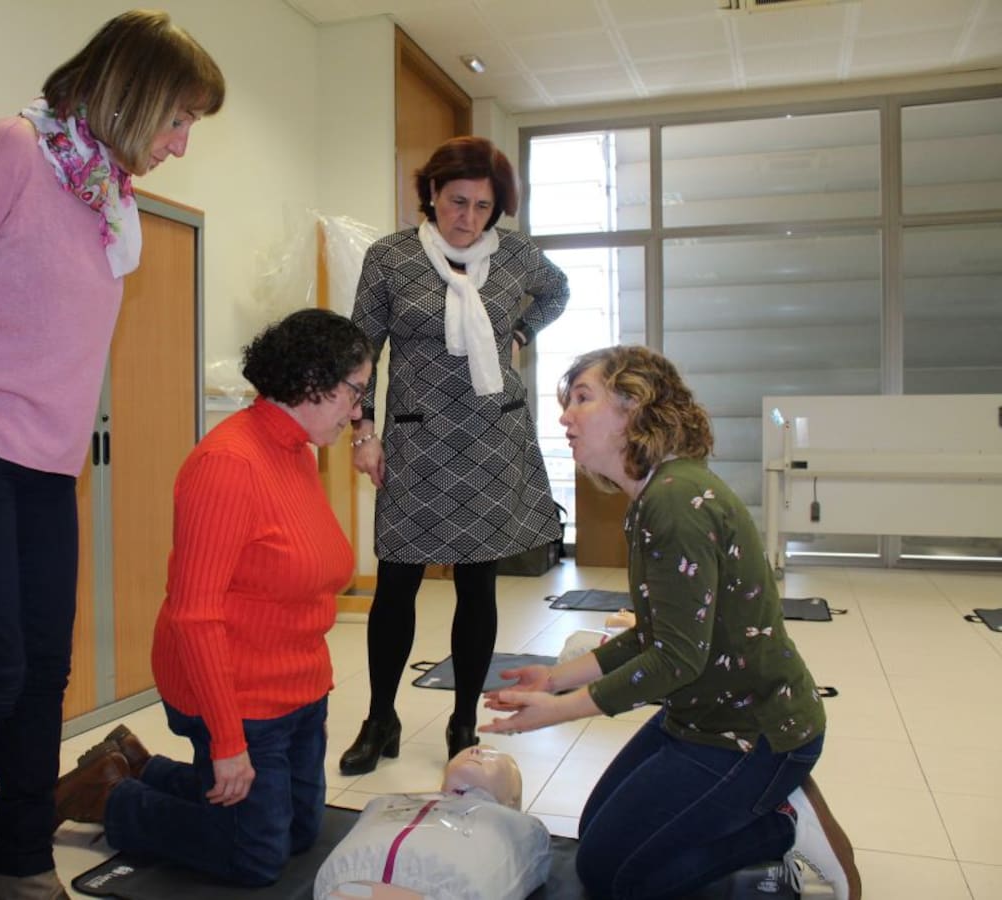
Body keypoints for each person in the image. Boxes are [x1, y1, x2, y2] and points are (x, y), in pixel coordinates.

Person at [0, 11, 224, 900]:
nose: (179, 144)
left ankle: (20, 857)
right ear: (132, 95)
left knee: (41, 668)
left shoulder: (103, 194)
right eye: (176, 119)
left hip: (39, 460)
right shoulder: (11, 153)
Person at [479, 345, 861, 900]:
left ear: (633, 406)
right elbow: (655, 633)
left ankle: (781, 825)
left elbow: (675, 660)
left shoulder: (674, 501)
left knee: (614, 874)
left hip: (754, 734)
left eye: (583, 398)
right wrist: (556, 678)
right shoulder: (658, 494)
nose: (565, 416)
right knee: (596, 839)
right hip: (704, 715)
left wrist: (557, 712)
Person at [54, 309, 377, 887]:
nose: (358, 412)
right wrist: (227, 741)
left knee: (301, 833)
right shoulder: (227, 464)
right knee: (255, 857)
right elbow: (194, 616)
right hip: (235, 692)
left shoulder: (297, 452)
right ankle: (111, 795)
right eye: (356, 393)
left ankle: (143, 765)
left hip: (297, 688)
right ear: (313, 382)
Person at [340, 136, 570, 775]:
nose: (466, 217)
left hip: (492, 439)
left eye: (481, 206)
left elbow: (557, 292)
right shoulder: (391, 257)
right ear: (432, 195)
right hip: (416, 438)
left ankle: (462, 715)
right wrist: (362, 430)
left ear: (496, 211)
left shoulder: (517, 257)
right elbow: (365, 348)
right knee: (396, 584)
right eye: (455, 200)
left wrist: (522, 328)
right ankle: (380, 716)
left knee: (478, 584)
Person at [314, 745, 551, 900]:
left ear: (511, 801)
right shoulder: (391, 803)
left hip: (443, 888)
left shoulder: (513, 829)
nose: (477, 751)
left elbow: (530, 856)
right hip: (346, 878)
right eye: (470, 750)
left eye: (491, 757)